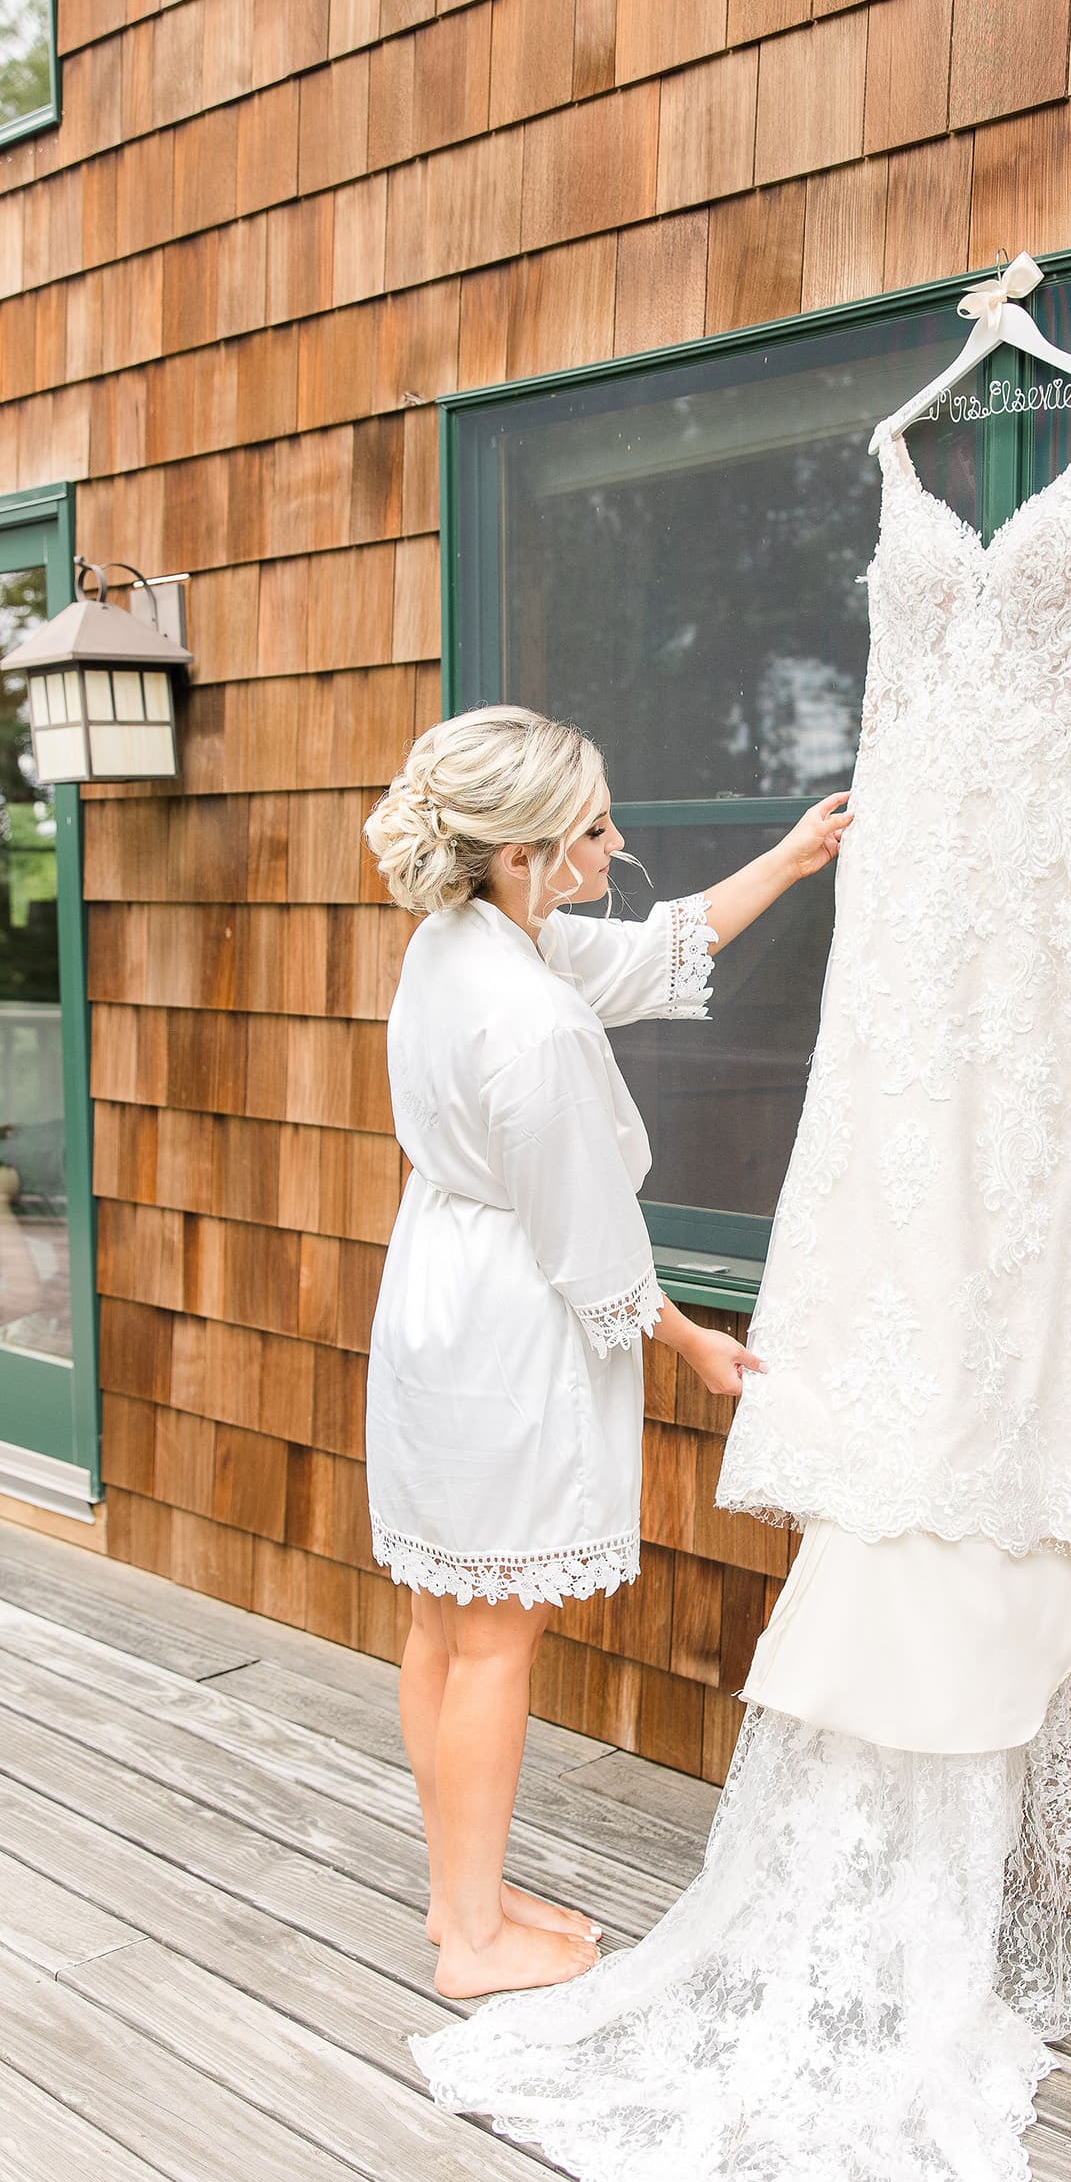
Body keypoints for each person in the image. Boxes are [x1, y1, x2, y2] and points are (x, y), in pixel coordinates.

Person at [362, 705, 848, 2003]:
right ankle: (474, 1939)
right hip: (509, 1324)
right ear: (521, 853)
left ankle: (457, 1891)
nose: (617, 842)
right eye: (593, 830)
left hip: (434, 1298)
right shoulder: (534, 1021)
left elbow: (651, 952)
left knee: (438, 1622)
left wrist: (796, 858)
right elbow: (591, 1250)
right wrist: (693, 1345)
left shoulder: (456, 938)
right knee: (496, 1639)